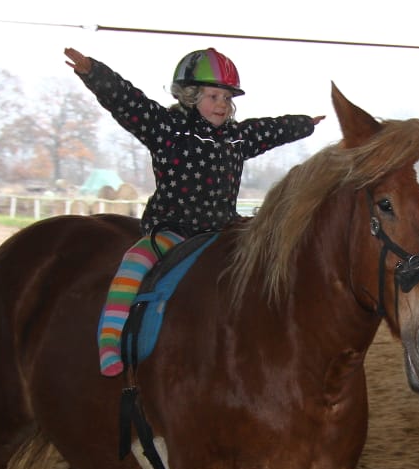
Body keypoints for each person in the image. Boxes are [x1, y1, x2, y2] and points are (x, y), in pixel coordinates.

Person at [65, 46, 324, 376]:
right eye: (213, 96)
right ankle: (110, 340)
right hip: (174, 231)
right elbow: (128, 102)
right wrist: (93, 72)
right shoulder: (167, 129)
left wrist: (305, 124)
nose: (221, 105)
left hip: (223, 232)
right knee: (133, 262)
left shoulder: (236, 138)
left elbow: (270, 129)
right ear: (190, 95)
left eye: (226, 98)